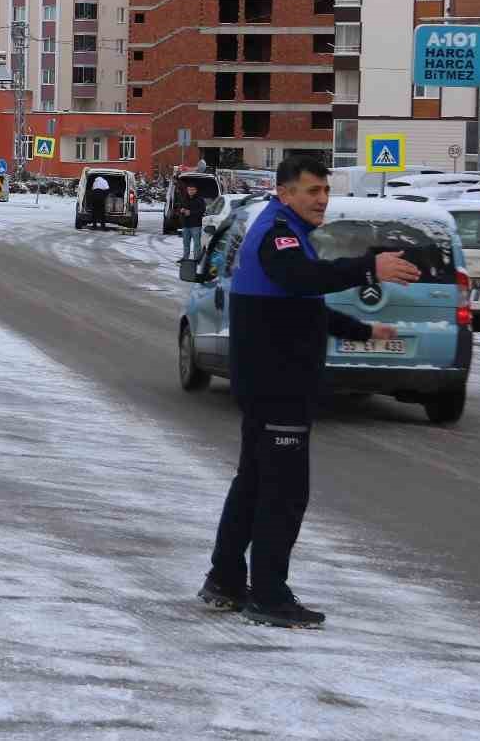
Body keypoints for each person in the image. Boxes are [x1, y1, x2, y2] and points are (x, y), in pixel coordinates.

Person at [199, 156, 420, 628]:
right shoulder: (279, 233)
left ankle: (225, 580)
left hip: (269, 384)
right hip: (278, 386)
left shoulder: (289, 234)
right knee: (284, 492)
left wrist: (364, 331)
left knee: (255, 484)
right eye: (312, 191)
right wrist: (368, 267)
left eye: (326, 190)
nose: (322, 199)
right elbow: (299, 279)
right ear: (285, 194)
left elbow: (302, 306)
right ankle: (269, 596)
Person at [178, 182, 208, 262]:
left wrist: (191, 212)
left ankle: (196, 259)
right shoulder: (184, 198)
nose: (190, 191)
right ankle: (185, 258)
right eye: (189, 190)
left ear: (196, 190)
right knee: (186, 243)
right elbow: (180, 208)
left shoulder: (200, 199)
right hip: (186, 224)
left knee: (197, 244)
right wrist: (181, 210)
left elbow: (202, 210)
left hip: (196, 225)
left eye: (192, 190)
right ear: (187, 190)